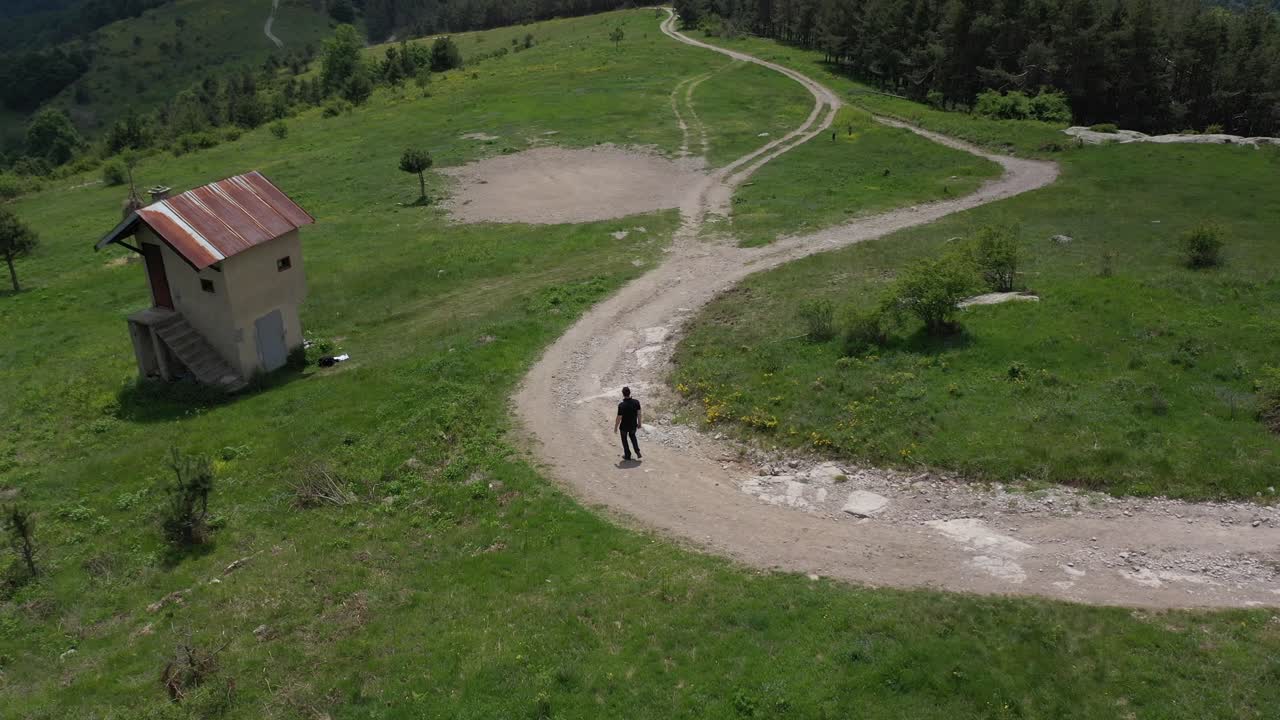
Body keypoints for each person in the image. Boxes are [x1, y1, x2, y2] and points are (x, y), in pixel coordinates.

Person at [614, 386, 642, 461]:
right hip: (633, 425)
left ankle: (627, 455)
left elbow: (619, 417)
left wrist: (616, 427)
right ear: (630, 393)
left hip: (624, 426)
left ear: (623, 394)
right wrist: (639, 423)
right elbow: (639, 414)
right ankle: (637, 451)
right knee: (633, 436)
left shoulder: (621, 405)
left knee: (624, 439)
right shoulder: (636, 402)